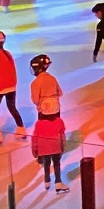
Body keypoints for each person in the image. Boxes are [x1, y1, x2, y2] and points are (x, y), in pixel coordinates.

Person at [29, 55, 68, 191]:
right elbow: (60, 92)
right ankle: (56, 150)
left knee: (43, 133)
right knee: (55, 131)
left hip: (43, 110)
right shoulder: (52, 79)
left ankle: (42, 156)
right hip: (55, 108)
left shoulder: (35, 83)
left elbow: (35, 99)